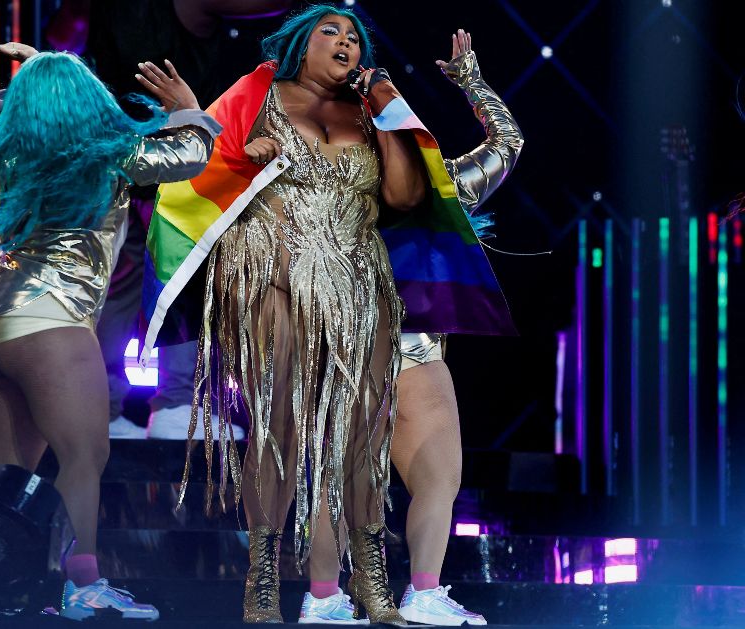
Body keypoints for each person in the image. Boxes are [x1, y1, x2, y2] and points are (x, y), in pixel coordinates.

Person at [144, 5, 513, 624]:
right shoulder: (259, 93)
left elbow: (404, 193)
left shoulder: (378, 121)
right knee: (286, 433)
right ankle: (274, 586)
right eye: (330, 31)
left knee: (360, 446)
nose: (345, 41)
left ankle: (387, 589)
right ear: (299, 42)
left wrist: (398, 102)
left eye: (355, 37)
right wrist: (191, 115)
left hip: (367, 299)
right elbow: (210, 162)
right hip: (277, 280)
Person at [0, 45, 220, 620]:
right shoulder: (111, 153)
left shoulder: (6, 154)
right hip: (53, 322)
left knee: (5, 472)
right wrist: (189, 106)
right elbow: (191, 154)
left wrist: (33, 73)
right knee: (84, 457)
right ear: (88, 98)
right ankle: (83, 588)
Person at [300, 29, 524, 626]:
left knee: (342, 482)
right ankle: (419, 593)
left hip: (344, 347)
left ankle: (324, 598)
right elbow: (508, 142)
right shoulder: (437, 186)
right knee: (432, 478)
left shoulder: (328, 188)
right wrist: (470, 81)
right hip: (404, 351)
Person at [45, 0, 291, 441]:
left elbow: (62, 38)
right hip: (149, 165)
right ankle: (164, 405)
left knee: (135, 289)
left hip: (144, 165)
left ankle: (116, 408)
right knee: (166, 283)